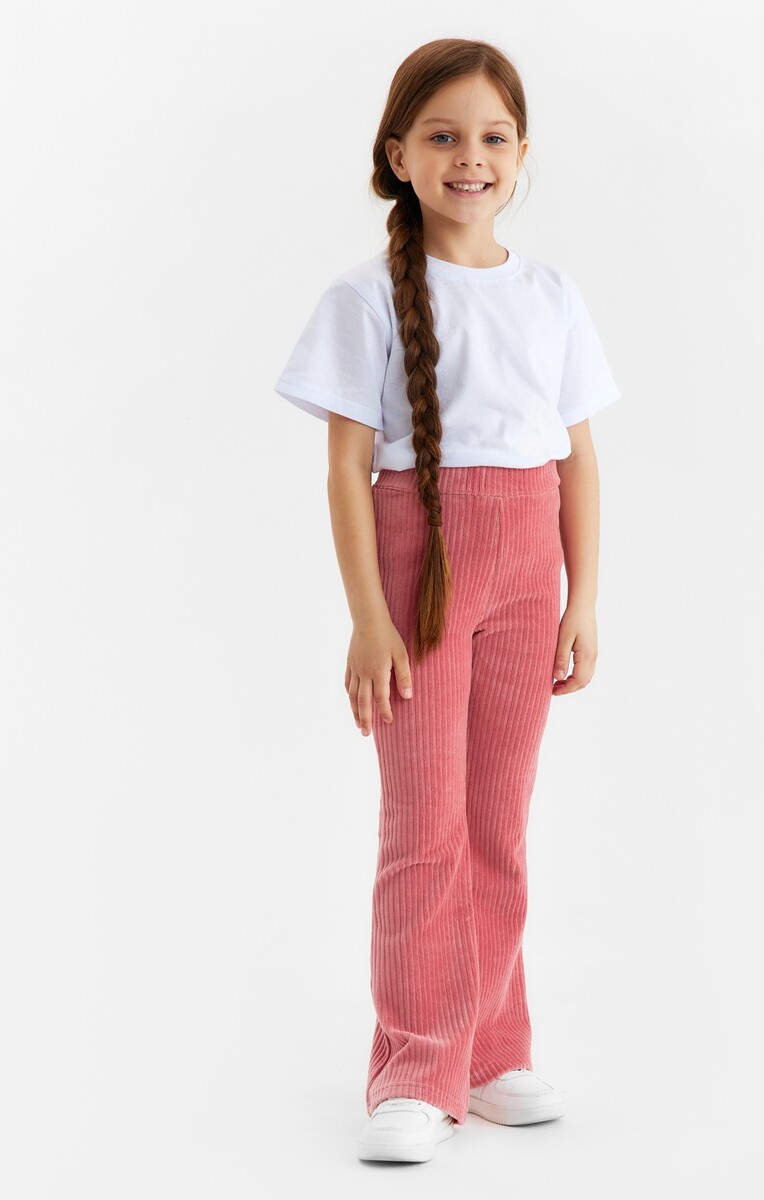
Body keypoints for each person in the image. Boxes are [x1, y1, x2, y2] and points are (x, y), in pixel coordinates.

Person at [273, 37, 622, 1164]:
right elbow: (346, 468)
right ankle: (415, 1062)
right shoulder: (366, 296)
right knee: (423, 827)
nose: (470, 156)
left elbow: (578, 460)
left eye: (492, 137)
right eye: (443, 135)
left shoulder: (552, 295)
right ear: (398, 155)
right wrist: (368, 616)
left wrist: (582, 600)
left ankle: (490, 1048)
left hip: (528, 576)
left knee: (496, 826)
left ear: (520, 154)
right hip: (417, 575)